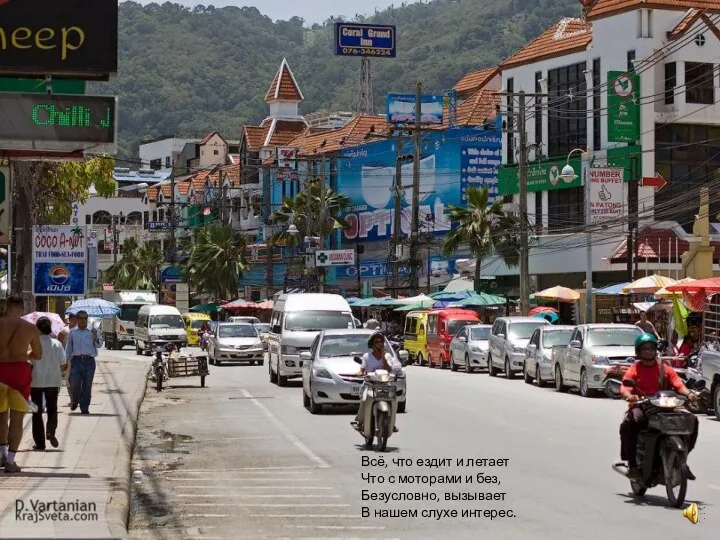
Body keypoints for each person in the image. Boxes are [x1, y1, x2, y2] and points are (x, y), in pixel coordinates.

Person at [619, 333, 699, 481]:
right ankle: (632, 465)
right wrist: (630, 396)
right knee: (631, 422)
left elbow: (677, 383)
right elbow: (625, 385)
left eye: (651, 348)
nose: (649, 351)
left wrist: (689, 394)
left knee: (691, 420)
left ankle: (682, 459)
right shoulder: (634, 368)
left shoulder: (664, 368)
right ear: (638, 351)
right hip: (643, 406)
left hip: (664, 406)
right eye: (645, 349)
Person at [0, 294, 43, 473]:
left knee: (1, 416)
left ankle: (0, 454)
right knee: (17, 418)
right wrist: (24, 355)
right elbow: (38, 355)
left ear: (6, 307)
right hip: (19, 372)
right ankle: (10, 461)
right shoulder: (30, 328)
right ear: (22, 309)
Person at [350, 332, 401, 433]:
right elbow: (362, 370)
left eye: (381, 341)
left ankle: (392, 424)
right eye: (377, 341)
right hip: (370, 384)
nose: (380, 343)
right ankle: (360, 422)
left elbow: (389, 370)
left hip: (385, 385)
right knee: (364, 400)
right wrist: (359, 374)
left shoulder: (387, 356)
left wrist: (383, 357)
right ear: (372, 344)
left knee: (394, 401)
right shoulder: (366, 356)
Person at [31, 317, 67, 451]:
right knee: (52, 409)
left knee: (36, 412)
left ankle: (40, 443)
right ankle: (50, 431)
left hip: (35, 382)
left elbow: (28, 363)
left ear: (38, 329)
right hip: (53, 381)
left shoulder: (33, 344)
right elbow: (63, 364)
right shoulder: (57, 344)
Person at [65, 310, 103, 414]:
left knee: (87, 386)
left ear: (87, 319)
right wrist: (65, 362)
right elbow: (68, 349)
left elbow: (99, 345)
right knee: (75, 385)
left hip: (89, 362)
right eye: (80, 318)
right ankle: (75, 400)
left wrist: (95, 337)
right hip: (76, 362)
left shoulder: (92, 331)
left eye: (85, 318)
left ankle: (84, 407)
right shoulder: (72, 332)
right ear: (76, 319)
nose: (83, 320)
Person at [57, 313, 78, 405]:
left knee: (77, 381)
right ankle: (72, 400)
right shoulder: (64, 330)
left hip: (77, 359)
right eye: (72, 319)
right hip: (67, 359)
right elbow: (59, 343)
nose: (74, 321)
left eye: (75, 319)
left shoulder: (79, 330)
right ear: (69, 320)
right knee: (68, 381)